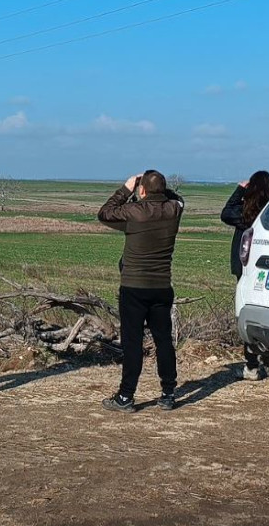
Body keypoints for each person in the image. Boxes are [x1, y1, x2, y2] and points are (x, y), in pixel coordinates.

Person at [97, 170, 185, 413]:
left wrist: (127, 188)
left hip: (133, 287)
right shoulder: (174, 210)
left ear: (142, 190)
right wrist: (157, 189)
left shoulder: (134, 212)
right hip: (161, 287)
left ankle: (126, 396)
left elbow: (104, 213)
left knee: (133, 344)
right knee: (163, 341)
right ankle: (168, 393)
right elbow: (178, 199)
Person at [220, 170, 269, 380]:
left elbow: (225, 213)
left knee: (247, 315)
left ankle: (251, 366)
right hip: (268, 270)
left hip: (245, 271)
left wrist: (239, 189)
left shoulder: (246, 213)